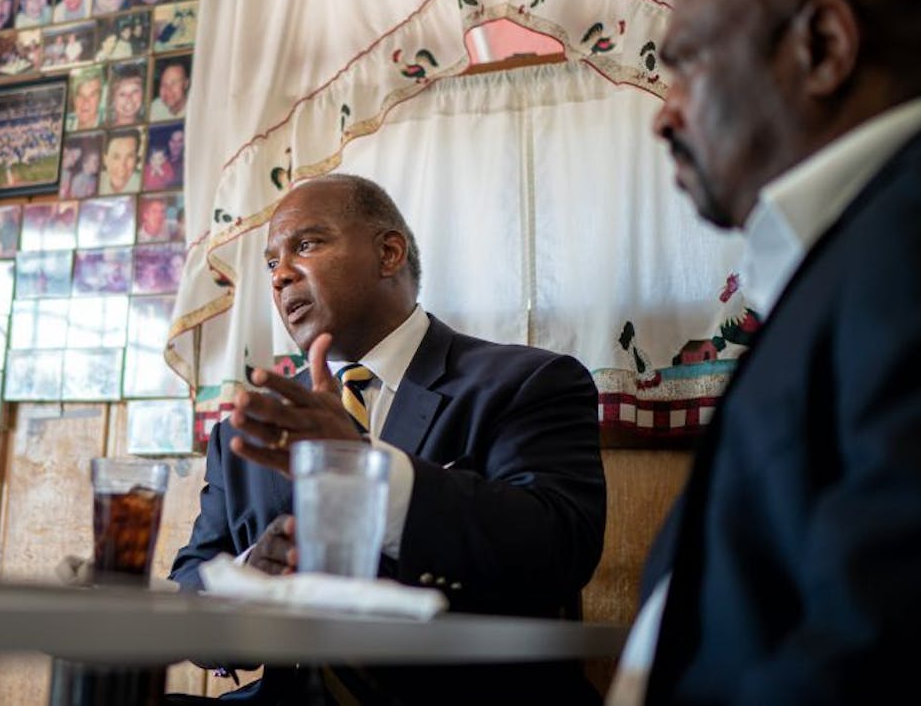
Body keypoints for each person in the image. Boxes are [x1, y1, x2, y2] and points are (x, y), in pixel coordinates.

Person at [605, 0, 921, 706]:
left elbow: (881, 636)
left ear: (822, 46)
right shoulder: (850, 251)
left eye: (686, 64)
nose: (662, 116)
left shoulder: (907, 238)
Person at [169, 174, 606, 704]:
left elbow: (559, 550)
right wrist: (248, 580)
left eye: (305, 245)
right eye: (270, 263)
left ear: (389, 253)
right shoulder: (249, 429)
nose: (280, 275)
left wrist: (363, 467)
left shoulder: (525, 384)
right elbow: (192, 587)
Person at [99, 128, 142, 194]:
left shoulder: (145, 185)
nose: (122, 166)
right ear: (105, 160)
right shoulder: (96, 183)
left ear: (136, 159)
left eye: (130, 156)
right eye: (116, 157)